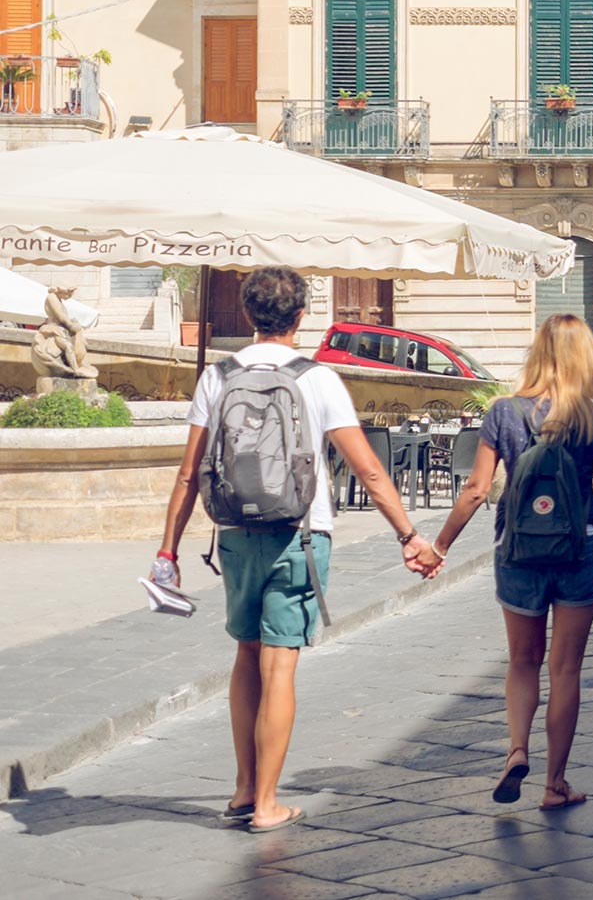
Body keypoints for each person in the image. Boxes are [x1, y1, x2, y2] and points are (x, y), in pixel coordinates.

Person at [154, 267, 432, 833]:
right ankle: (266, 802)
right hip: (301, 536)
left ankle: (239, 788)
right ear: (301, 316)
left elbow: (188, 475)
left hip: (233, 536)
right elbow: (369, 469)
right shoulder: (318, 379)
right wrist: (410, 535)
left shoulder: (218, 375)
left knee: (245, 655)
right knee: (280, 665)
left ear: (250, 314)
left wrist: (168, 552)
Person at [418, 314, 593, 809]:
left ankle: (516, 749)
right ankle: (555, 783)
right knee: (565, 670)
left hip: (518, 551)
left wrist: (439, 547)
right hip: (582, 548)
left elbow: (476, 490)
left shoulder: (503, 412)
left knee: (521, 662)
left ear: (537, 353)